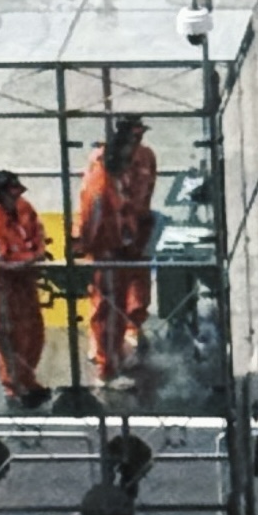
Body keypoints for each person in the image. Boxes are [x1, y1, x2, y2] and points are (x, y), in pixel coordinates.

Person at [72, 114, 157, 379]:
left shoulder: (144, 157)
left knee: (133, 291)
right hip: (109, 245)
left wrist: (139, 227)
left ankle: (122, 341)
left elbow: (145, 192)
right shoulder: (102, 171)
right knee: (107, 304)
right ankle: (106, 362)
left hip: (132, 233)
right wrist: (86, 243)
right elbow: (91, 212)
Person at [0, 170, 50, 406]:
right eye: (10, 195)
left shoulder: (24, 207)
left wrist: (36, 255)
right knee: (9, 335)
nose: (15, 199)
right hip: (5, 285)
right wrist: (29, 260)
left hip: (27, 279)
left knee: (34, 332)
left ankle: (28, 380)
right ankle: (14, 388)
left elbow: (38, 232)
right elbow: (0, 261)